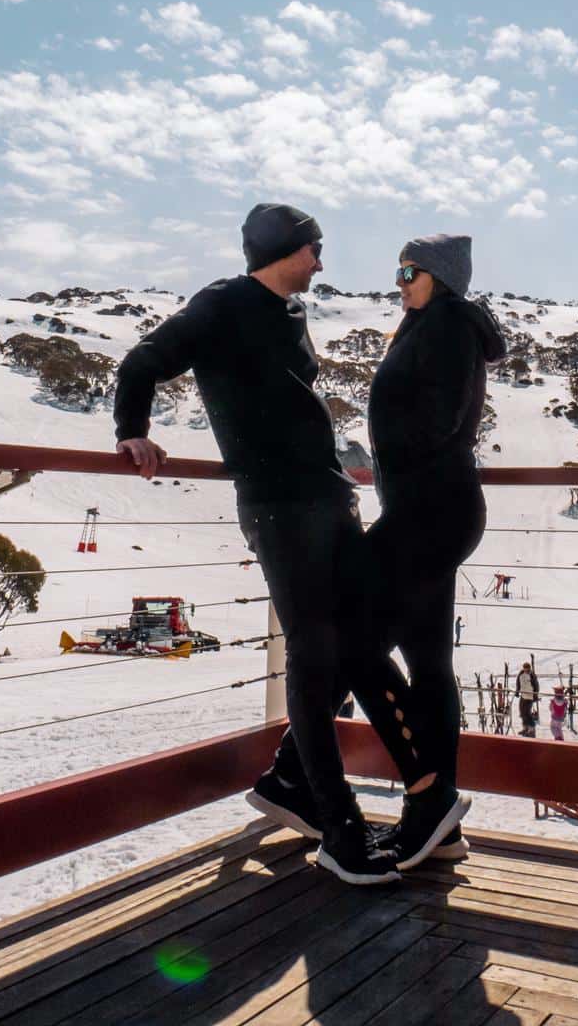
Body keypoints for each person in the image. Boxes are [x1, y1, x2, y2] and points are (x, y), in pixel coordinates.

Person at [113, 202, 406, 886]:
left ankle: (287, 782)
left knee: (361, 636)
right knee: (315, 653)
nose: (322, 264)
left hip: (331, 496)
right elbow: (143, 361)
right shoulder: (222, 304)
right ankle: (340, 829)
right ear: (285, 249)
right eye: (314, 251)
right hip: (277, 504)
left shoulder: (292, 314)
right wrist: (132, 429)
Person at [362, 232, 507, 867]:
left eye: (410, 270)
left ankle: (430, 798)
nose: (399, 281)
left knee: (349, 639)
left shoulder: (447, 322)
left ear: (440, 276)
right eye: (396, 270)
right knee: (427, 663)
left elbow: (439, 418)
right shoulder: (430, 322)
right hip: (428, 508)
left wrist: (379, 455)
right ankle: (436, 824)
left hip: (430, 511)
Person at [517, 662, 540, 737]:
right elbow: (518, 683)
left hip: (530, 696)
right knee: (522, 712)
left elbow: (536, 685)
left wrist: (535, 695)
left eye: (527, 668)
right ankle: (525, 728)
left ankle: (531, 729)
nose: (526, 670)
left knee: (527, 713)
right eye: (525, 668)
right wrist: (517, 691)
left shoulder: (532, 675)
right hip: (523, 695)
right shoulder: (521, 674)